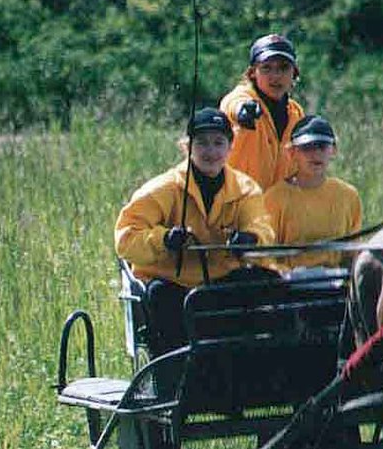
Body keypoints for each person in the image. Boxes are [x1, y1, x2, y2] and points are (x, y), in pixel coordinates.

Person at [115, 107, 275, 352]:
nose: (210, 152)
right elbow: (126, 238)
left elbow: (263, 230)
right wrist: (164, 240)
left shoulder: (246, 189)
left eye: (218, 143)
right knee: (161, 296)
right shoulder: (164, 188)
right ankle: (177, 381)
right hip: (172, 284)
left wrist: (250, 239)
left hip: (219, 283)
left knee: (264, 284)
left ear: (231, 146)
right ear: (186, 146)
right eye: (201, 143)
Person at [263, 115, 362, 270]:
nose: (316, 154)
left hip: (337, 284)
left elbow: (352, 253)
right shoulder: (274, 198)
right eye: (307, 147)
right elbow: (265, 256)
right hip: (290, 285)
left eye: (322, 147)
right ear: (292, 152)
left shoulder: (348, 195)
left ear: (334, 150)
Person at [220, 33, 305, 191]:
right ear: (253, 73)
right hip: (237, 203)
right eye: (266, 68)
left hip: (275, 209)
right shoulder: (243, 98)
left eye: (283, 68)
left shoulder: (296, 112)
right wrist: (243, 112)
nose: (276, 76)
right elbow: (233, 105)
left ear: (294, 72)